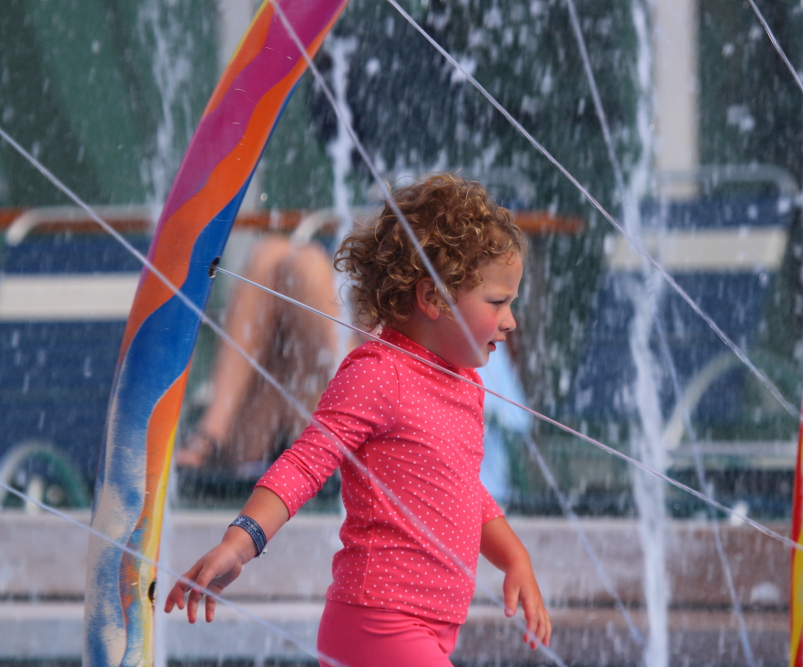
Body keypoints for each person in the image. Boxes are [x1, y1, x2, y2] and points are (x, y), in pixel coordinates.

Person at [164, 173, 552, 665]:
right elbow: (306, 462)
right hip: (379, 620)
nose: (510, 320)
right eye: (497, 302)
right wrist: (240, 542)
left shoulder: (463, 383)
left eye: (511, 302)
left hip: (428, 628)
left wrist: (514, 558)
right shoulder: (378, 373)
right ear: (431, 298)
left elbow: (464, 488)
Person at [174, 234, 343, 478]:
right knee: (269, 252)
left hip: (334, 412)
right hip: (277, 417)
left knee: (307, 263)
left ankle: (210, 435)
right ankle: (215, 428)